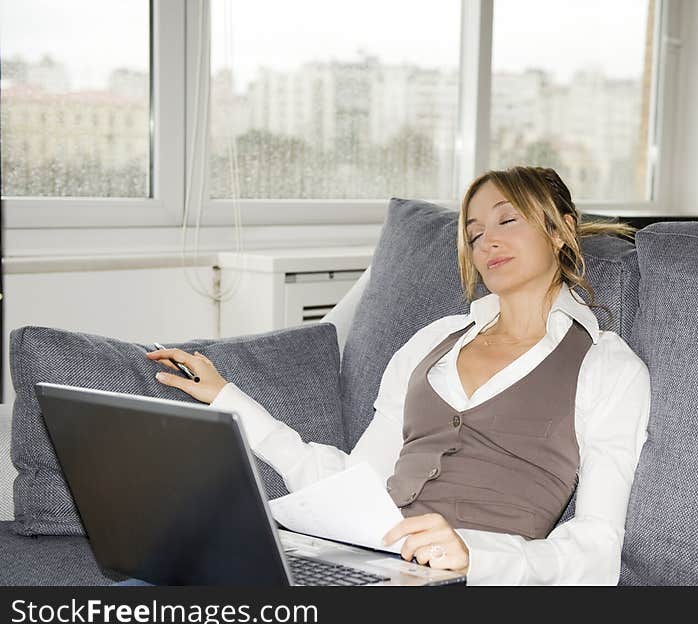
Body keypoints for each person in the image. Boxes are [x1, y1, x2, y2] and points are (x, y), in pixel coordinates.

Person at [147, 166, 651, 585]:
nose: (487, 242)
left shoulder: (606, 367)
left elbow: (598, 548)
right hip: (368, 561)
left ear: (561, 229)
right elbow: (357, 481)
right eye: (474, 233)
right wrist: (229, 400)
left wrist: (476, 555)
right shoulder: (431, 343)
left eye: (507, 220)